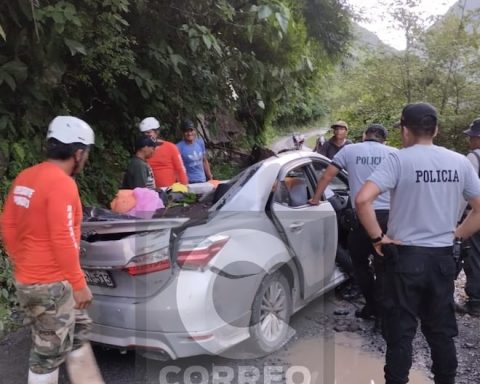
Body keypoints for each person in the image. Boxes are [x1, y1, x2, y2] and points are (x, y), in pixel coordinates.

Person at [355, 102, 480, 384]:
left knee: (400, 334)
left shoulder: (399, 160)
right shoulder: (459, 161)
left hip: (404, 259)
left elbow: (363, 200)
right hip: (442, 260)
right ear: (435, 129)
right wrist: (457, 234)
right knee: (441, 332)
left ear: (404, 130)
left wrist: (378, 237)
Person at [0, 116, 104, 384]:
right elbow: (63, 236)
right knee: (47, 354)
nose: (87, 159)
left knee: (78, 331)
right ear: (78, 152)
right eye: (87, 153)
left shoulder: (26, 177)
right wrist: (79, 283)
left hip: (32, 280)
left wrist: (21, 264)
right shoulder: (61, 183)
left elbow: (8, 225)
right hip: (52, 285)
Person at [309, 124, 397, 323]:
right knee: (384, 265)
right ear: (385, 139)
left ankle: (371, 305)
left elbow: (327, 176)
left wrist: (315, 199)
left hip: (361, 216)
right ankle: (383, 312)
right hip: (388, 218)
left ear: (364, 135)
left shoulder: (349, 150)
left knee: (359, 263)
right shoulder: (394, 153)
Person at [457, 117, 480, 316]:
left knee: (475, 256)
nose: (470, 140)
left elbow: (466, 192)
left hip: (477, 214)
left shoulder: (474, 158)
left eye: (472, 136)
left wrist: (456, 219)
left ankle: (476, 301)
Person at [139, 117, 188, 187]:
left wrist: (185, 189)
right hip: (150, 193)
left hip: (170, 193)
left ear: (157, 132)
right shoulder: (142, 150)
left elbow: (180, 169)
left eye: (149, 132)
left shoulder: (171, 147)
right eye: (144, 134)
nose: (146, 136)